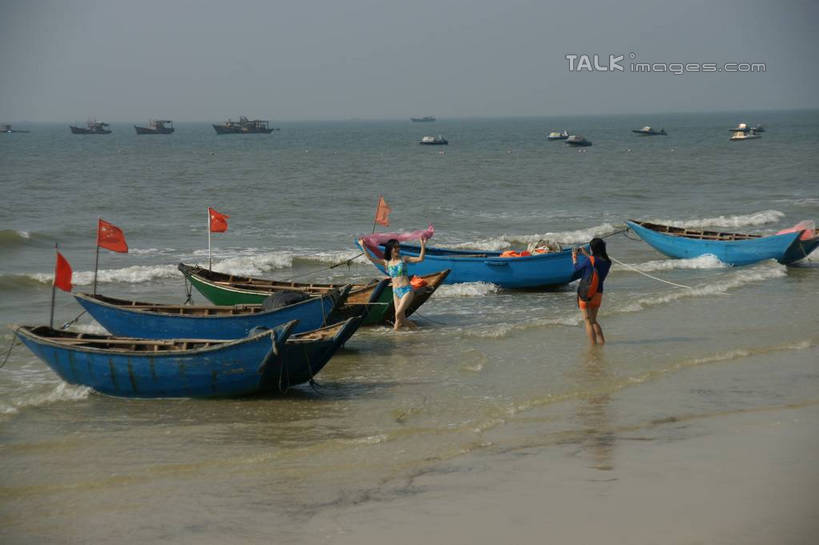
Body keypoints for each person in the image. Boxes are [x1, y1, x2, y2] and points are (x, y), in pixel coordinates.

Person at [359, 237, 427, 330]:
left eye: (398, 247)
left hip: (407, 290)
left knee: (398, 314)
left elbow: (420, 259)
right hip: (396, 292)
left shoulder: (404, 259)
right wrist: (363, 246)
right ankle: (399, 337)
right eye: (395, 247)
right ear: (390, 249)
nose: (397, 249)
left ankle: (416, 331)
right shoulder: (386, 262)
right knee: (398, 320)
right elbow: (370, 258)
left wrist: (423, 244)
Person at [572, 237, 612, 345]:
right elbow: (595, 262)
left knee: (587, 321)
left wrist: (574, 257)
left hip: (586, 292)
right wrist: (586, 255)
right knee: (594, 320)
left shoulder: (589, 260)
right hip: (598, 293)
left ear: (593, 249)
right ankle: (602, 342)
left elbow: (576, 269)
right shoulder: (608, 262)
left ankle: (593, 346)